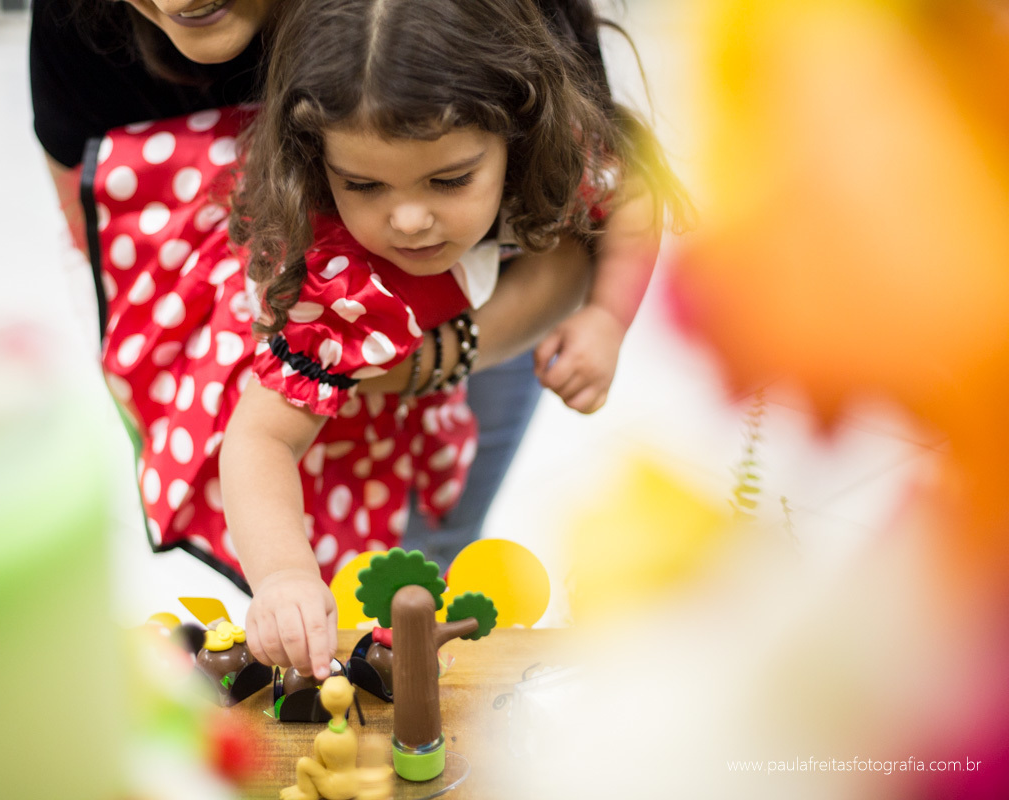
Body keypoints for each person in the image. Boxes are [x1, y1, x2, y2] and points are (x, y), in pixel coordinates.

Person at [80, 0, 686, 682]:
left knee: (441, 541)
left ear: (518, 124)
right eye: (362, 184)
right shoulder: (338, 283)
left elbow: (633, 193)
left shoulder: (564, 144)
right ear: (317, 158)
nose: (409, 220)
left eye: (450, 179)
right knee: (362, 572)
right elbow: (260, 437)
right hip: (309, 369)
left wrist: (607, 315)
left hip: (445, 340)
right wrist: (283, 577)